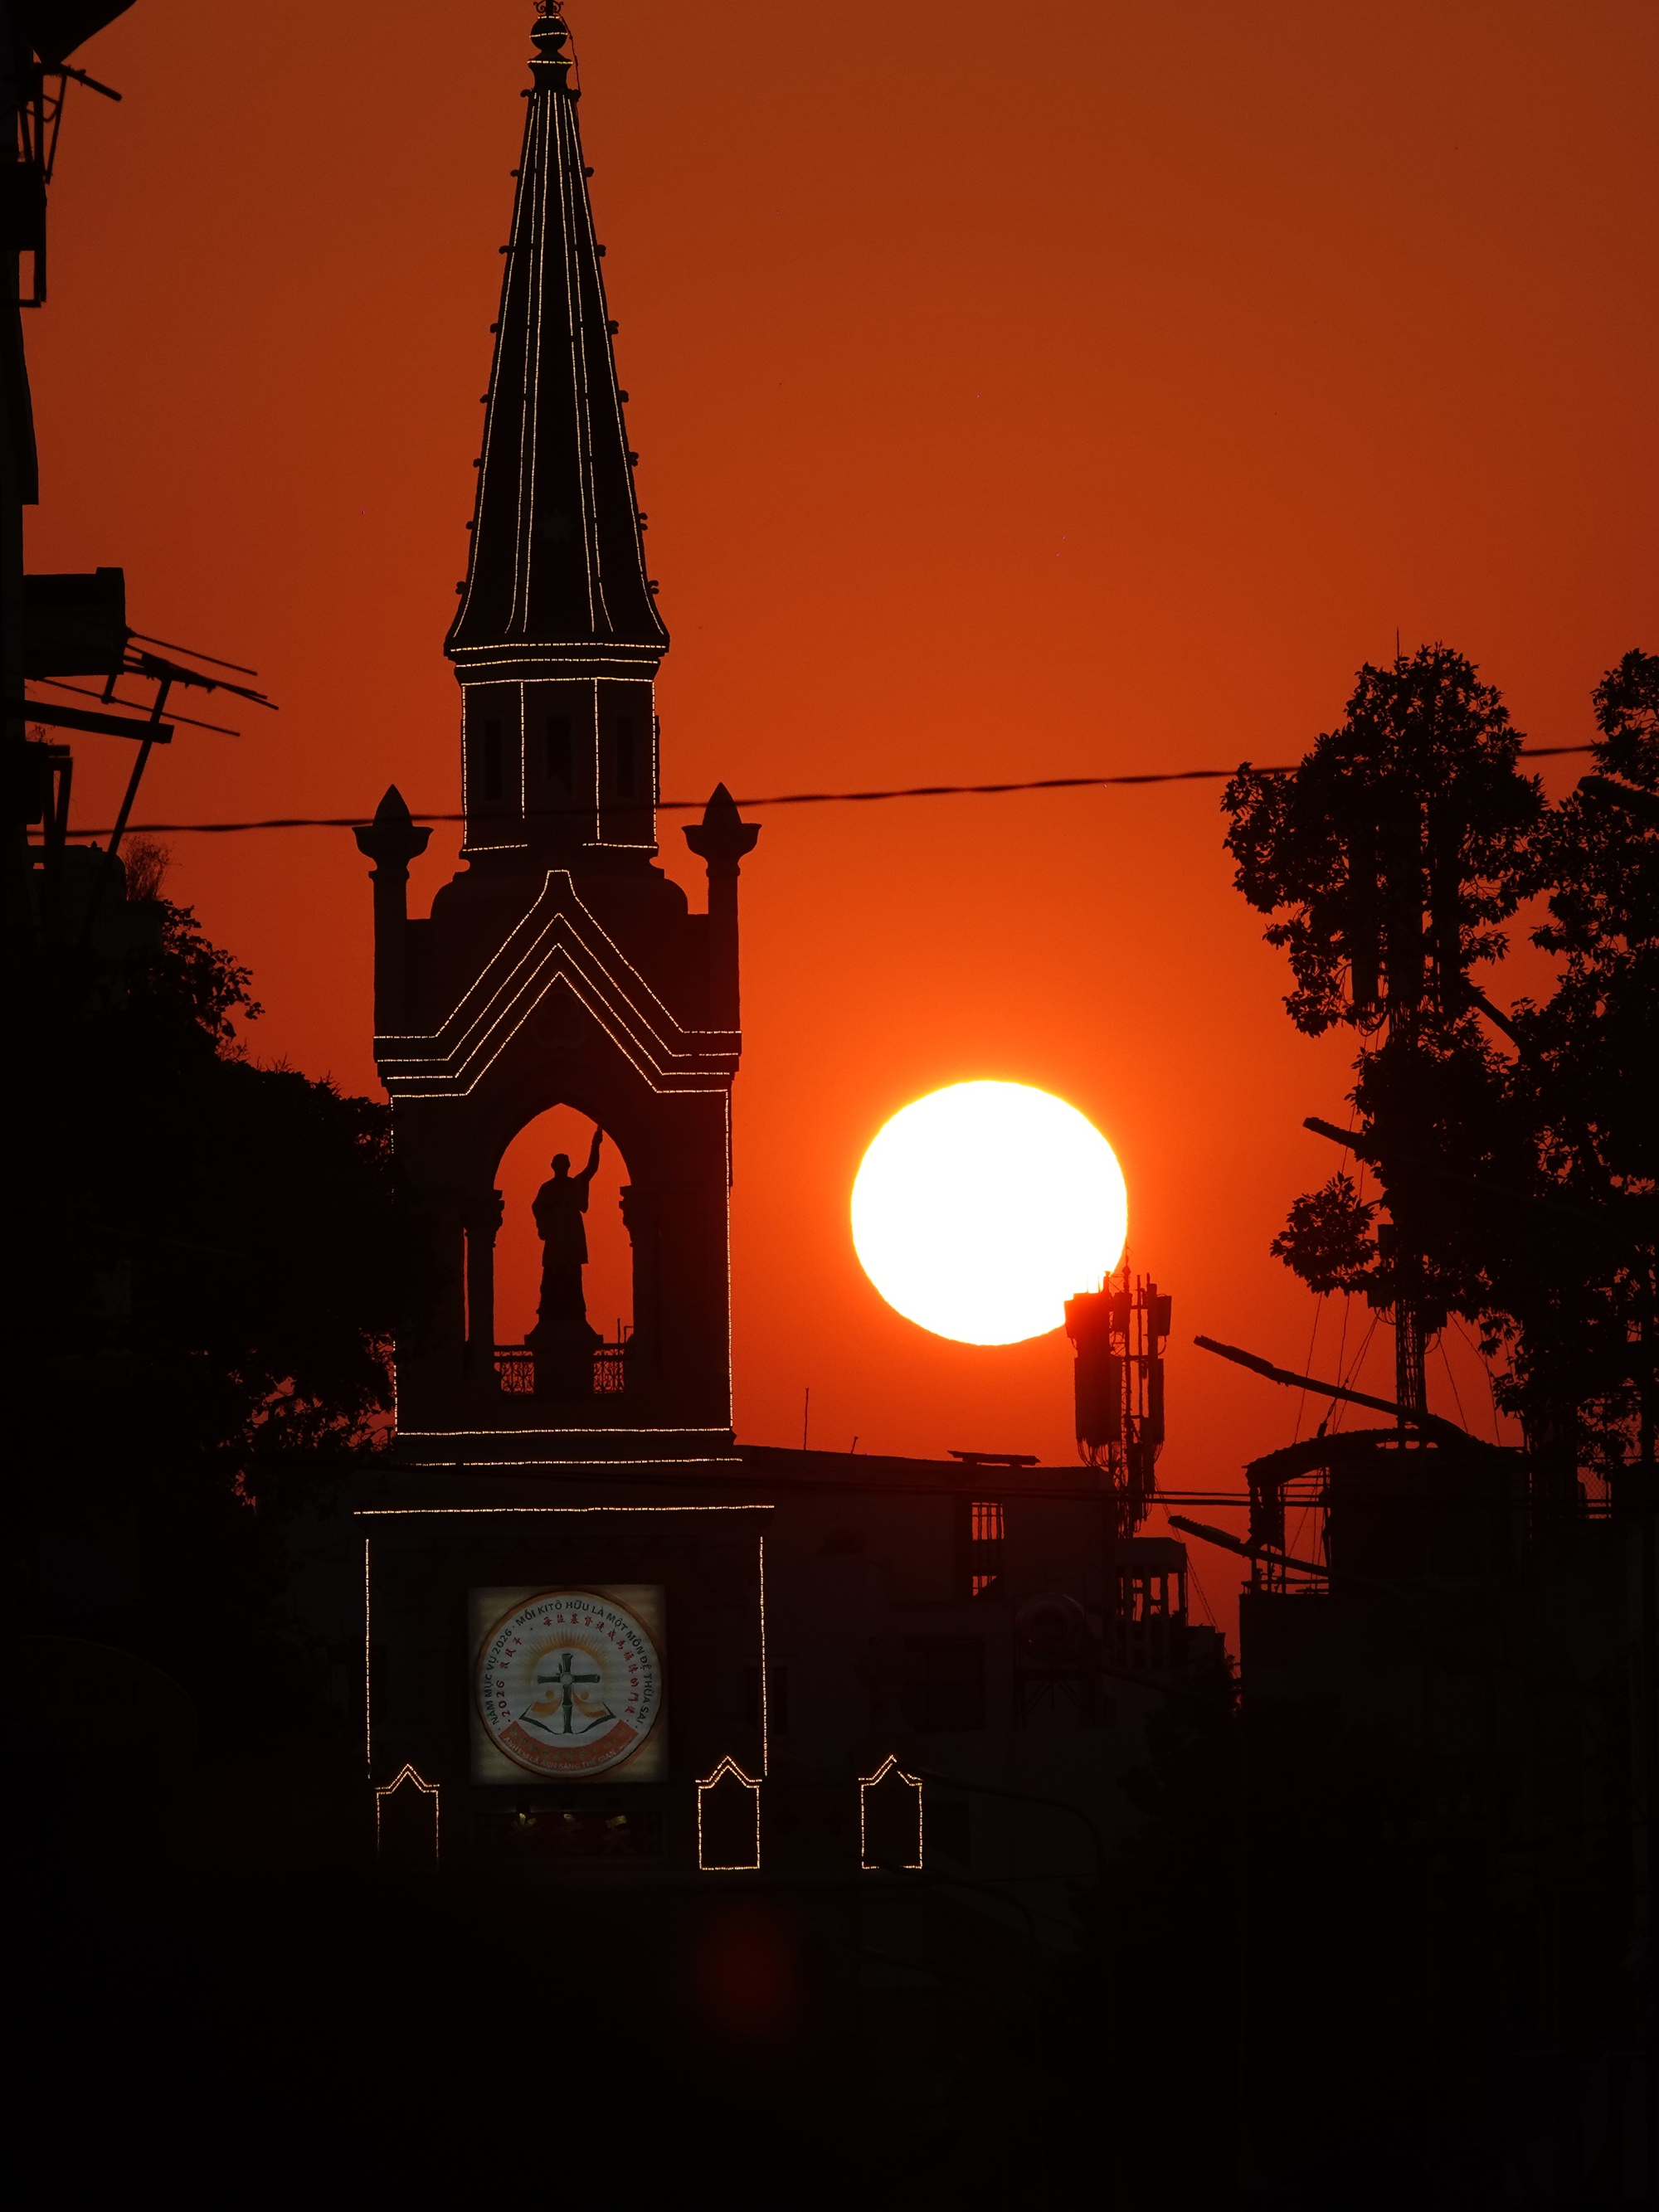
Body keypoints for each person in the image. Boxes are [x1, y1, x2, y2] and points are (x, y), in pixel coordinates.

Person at [530, 1126, 603, 1349]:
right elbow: (537, 1208)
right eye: (558, 1165)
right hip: (556, 1240)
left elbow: (591, 1169)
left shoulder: (574, 1185)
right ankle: (550, 1310)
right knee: (553, 1274)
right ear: (554, 1167)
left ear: (567, 1167)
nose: (561, 1169)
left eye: (564, 1165)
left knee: (572, 1274)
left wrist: (595, 1146)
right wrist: (545, 1223)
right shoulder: (548, 1188)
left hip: (570, 1239)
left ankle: (573, 1311)